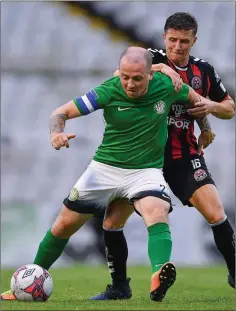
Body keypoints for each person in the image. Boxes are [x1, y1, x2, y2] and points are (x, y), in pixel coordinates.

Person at [1, 47, 204, 302]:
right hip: (104, 169)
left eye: (137, 78)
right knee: (64, 226)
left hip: (145, 171)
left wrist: (204, 129)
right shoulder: (108, 90)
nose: (130, 84)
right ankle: (26, 284)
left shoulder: (167, 85)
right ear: (119, 73)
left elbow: (195, 99)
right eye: (125, 77)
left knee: (156, 210)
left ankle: (158, 275)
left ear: (150, 75)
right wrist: (56, 133)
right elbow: (60, 113)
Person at [89, 12, 235, 301]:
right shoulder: (149, 57)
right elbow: (119, 76)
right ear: (163, 38)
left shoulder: (203, 71)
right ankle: (120, 286)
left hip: (182, 156)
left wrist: (207, 106)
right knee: (111, 222)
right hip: (140, 156)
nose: (177, 46)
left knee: (216, 213)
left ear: (194, 40)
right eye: (172, 40)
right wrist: (162, 69)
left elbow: (229, 108)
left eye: (184, 41)